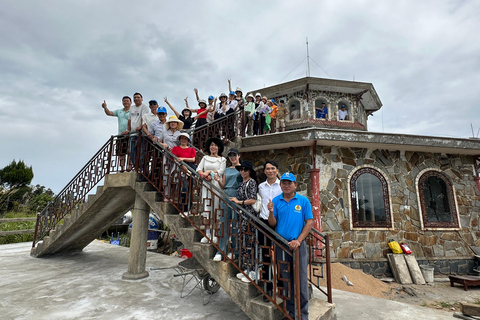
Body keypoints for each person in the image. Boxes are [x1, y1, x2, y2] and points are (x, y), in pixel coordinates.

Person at [268, 172, 313, 320]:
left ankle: (303, 315)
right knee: (286, 281)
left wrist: (298, 241)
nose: (286, 186)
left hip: (298, 246)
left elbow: (309, 223)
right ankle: (291, 313)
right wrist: (270, 212)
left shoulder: (303, 201)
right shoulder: (276, 201)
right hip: (282, 245)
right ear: (280, 185)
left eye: (289, 183)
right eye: (284, 183)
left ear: (295, 185)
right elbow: (272, 224)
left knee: (300, 281)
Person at [228, 160, 258, 283]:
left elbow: (253, 200)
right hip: (242, 216)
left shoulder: (251, 182)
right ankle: (245, 269)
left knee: (249, 242)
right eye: (241, 169)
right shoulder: (241, 183)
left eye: (245, 169)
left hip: (249, 216)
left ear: (250, 171)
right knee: (243, 242)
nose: (243, 172)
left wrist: (239, 202)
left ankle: (252, 270)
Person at [257, 160, 282, 301]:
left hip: (279, 223)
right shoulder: (261, 186)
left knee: (280, 255)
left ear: (277, 170)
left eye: (273, 168)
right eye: (268, 168)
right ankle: (268, 287)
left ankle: (282, 284)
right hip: (264, 222)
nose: (270, 171)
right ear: (265, 171)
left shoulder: (282, 186)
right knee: (266, 255)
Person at [214, 148, 242, 262]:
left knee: (235, 224)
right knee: (223, 223)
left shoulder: (243, 169)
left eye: (234, 155)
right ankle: (221, 250)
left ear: (239, 156)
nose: (233, 158)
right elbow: (223, 185)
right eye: (230, 156)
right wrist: (217, 180)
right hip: (226, 195)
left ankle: (234, 251)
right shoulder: (226, 170)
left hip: (237, 196)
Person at [197, 137, 226, 244]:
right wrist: (203, 174)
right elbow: (199, 169)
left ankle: (215, 233)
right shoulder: (205, 158)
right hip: (206, 184)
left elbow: (220, 171)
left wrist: (208, 172)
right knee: (206, 208)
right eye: (211, 145)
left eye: (215, 145)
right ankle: (207, 233)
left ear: (219, 147)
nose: (213, 147)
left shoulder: (222, 160)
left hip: (216, 184)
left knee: (216, 208)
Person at [101, 96, 131, 171]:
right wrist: (105, 107)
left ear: (131, 102)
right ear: (122, 102)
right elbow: (109, 113)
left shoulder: (133, 111)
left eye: (127, 101)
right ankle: (122, 168)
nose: (126, 102)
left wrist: (129, 130)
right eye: (124, 101)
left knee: (130, 152)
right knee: (121, 153)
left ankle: (129, 167)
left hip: (130, 134)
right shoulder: (119, 111)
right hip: (120, 135)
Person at [171, 132, 197, 213]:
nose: (183, 140)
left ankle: (188, 206)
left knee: (190, 188)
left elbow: (193, 159)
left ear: (188, 140)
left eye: (185, 139)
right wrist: (182, 165)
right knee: (184, 188)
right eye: (182, 138)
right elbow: (175, 159)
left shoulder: (191, 149)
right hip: (180, 169)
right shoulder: (175, 148)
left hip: (190, 168)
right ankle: (183, 208)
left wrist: (182, 158)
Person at [126, 93, 149, 167]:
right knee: (131, 152)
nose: (136, 99)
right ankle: (136, 167)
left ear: (142, 99)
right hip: (132, 133)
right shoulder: (132, 107)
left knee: (141, 152)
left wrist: (140, 126)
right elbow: (129, 119)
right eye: (135, 97)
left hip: (141, 134)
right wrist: (128, 129)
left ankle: (141, 168)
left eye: (138, 97)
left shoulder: (144, 107)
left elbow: (144, 118)